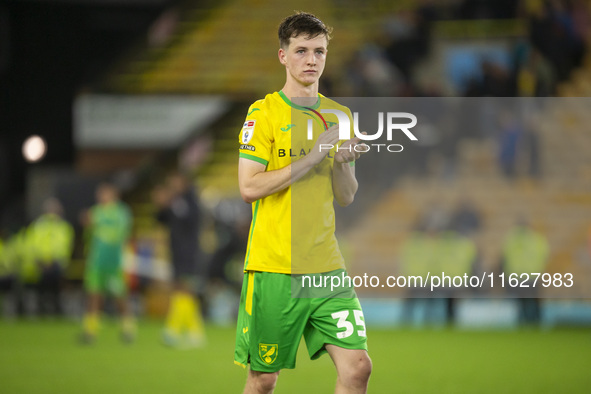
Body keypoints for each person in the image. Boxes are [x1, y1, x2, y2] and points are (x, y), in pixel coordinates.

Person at [235, 12, 371, 394]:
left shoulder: (340, 116)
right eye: (301, 51)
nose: (311, 60)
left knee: (358, 367)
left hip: (326, 266)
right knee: (263, 380)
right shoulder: (263, 113)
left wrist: (342, 164)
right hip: (275, 267)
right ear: (283, 56)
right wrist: (312, 158)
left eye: (319, 51)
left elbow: (346, 196)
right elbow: (248, 187)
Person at [153, 172, 206, 348]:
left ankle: (173, 330)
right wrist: (161, 206)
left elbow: (192, 221)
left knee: (184, 288)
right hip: (176, 251)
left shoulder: (190, 201)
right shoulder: (176, 201)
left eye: (175, 181)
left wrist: (171, 204)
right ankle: (195, 332)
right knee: (181, 290)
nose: (172, 185)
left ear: (183, 182)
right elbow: (161, 220)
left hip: (189, 252)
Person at [80, 183, 135, 343]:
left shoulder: (121, 212)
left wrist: (95, 225)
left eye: (104, 193)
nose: (101, 197)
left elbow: (121, 234)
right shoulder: (95, 211)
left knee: (120, 297)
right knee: (94, 295)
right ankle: (90, 331)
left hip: (114, 262)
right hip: (96, 261)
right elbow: (89, 235)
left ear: (113, 195)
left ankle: (128, 329)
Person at [29, 198, 74, 316]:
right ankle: (41, 311)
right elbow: (34, 243)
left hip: (57, 263)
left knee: (58, 289)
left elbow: (66, 246)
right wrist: (41, 260)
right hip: (41, 263)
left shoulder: (64, 227)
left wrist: (56, 260)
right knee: (42, 289)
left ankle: (58, 311)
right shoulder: (39, 225)